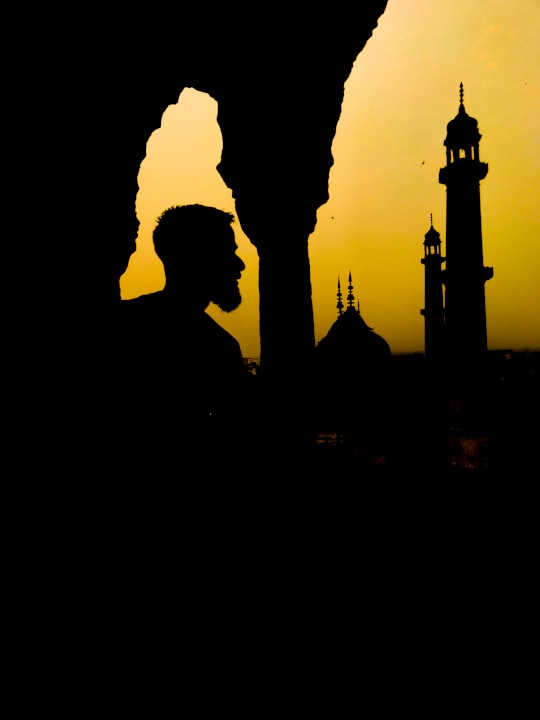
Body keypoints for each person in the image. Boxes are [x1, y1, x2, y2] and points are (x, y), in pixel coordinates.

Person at [120, 204, 255, 477]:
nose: (239, 265)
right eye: (228, 252)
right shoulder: (216, 347)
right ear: (198, 258)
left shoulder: (126, 322)